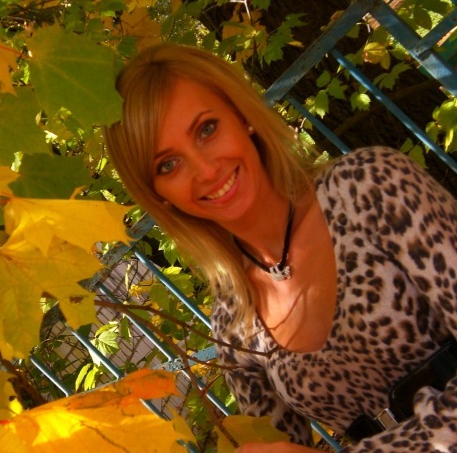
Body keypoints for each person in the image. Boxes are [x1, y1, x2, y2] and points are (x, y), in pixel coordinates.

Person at [103, 43, 457, 452]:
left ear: (243, 117)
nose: (206, 170)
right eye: (168, 164)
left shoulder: (370, 188)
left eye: (207, 129)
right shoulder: (233, 324)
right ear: (159, 195)